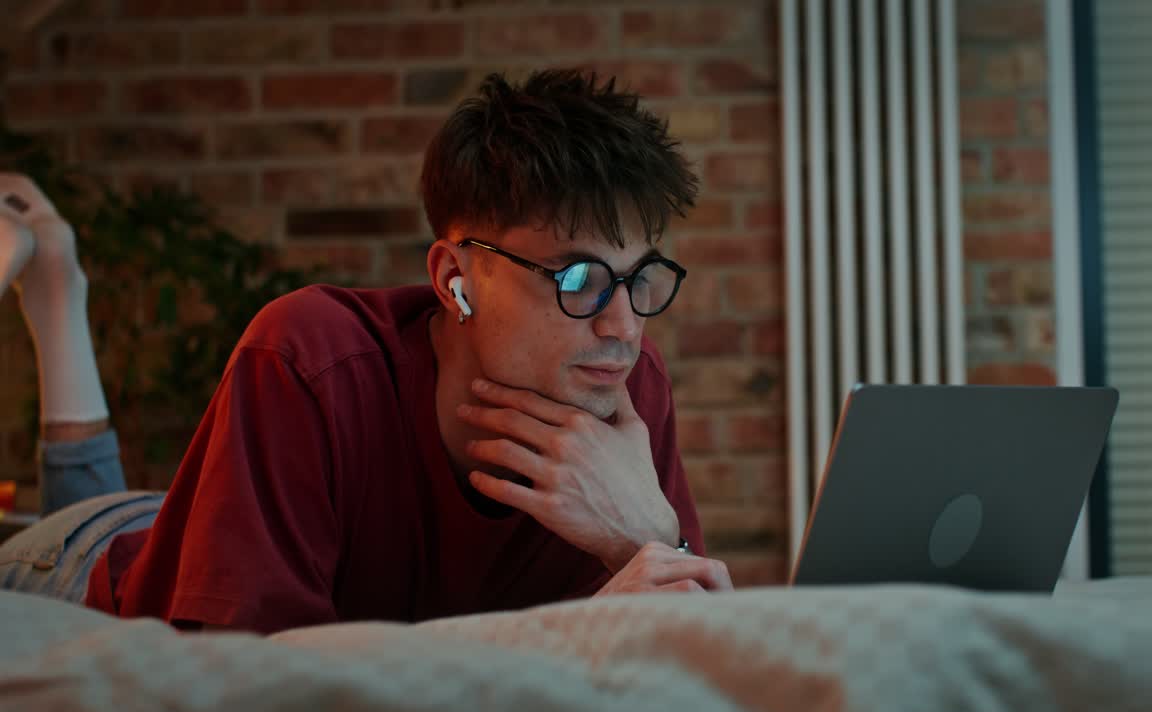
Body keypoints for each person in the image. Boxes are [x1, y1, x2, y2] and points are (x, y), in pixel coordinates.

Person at [0, 69, 733, 634]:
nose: (624, 327)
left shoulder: (625, 390)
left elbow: (693, 652)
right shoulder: (311, 357)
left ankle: (58, 281)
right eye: (579, 278)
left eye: (641, 279)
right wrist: (579, 630)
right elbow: (253, 687)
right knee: (97, 532)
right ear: (455, 278)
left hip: (226, 525)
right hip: (90, 561)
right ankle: (56, 288)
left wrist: (650, 539)